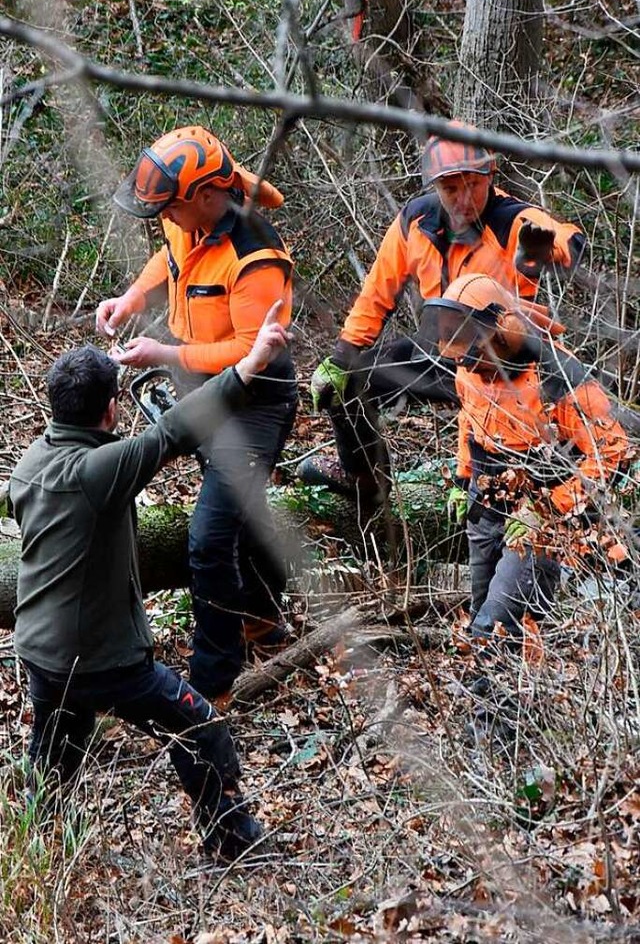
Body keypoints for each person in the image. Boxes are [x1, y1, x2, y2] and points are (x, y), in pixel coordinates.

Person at [10, 307, 290, 859]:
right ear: (113, 410)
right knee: (200, 729)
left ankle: (38, 849)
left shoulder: (30, 462)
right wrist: (252, 362)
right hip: (102, 660)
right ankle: (233, 842)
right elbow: (175, 429)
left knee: (55, 753)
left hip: (38, 653)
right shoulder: (97, 472)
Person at [95, 125, 298, 701]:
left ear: (208, 194)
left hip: (256, 398)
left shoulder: (257, 254)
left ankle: (215, 676)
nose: (169, 219)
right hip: (204, 388)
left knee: (209, 538)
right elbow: (171, 258)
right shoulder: (184, 219)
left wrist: (164, 354)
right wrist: (133, 298)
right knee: (241, 507)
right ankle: (261, 616)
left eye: (173, 208)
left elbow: (248, 351)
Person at [303, 122, 586, 502]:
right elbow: (377, 293)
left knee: (510, 461)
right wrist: (343, 355)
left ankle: (533, 498)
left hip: (500, 363)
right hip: (438, 351)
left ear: (490, 176)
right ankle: (365, 481)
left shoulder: (512, 222)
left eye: (473, 184)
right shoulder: (415, 222)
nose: (463, 198)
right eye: (451, 188)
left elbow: (564, 238)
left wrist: (549, 248)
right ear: (435, 187)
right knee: (349, 384)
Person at [422, 273, 630, 735]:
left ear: (500, 330)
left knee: (496, 623)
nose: (461, 351)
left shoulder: (558, 376)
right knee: (484, 613)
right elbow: (468, 421)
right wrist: (462, 478)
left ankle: (495, 738)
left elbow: (611, 452)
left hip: (544, 513)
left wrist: (549, 509)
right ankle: (509, 719)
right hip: (487, 503)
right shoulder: (466, 372)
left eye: (468, 337)